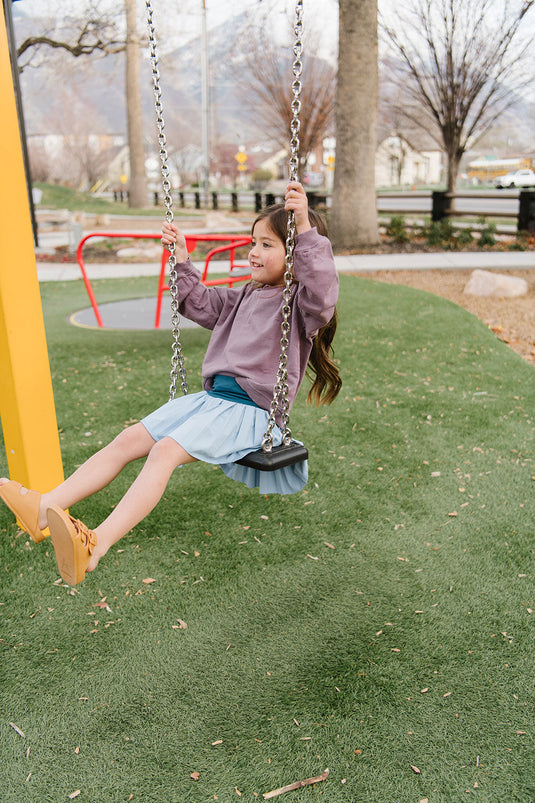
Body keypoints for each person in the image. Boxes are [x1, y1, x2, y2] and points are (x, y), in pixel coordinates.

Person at [0, 182, 341, 586]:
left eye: (267, 245)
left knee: (164, 452)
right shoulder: (243, 297)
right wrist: (181, 259)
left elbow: (322, 291)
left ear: (295, 253)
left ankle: (96, 544)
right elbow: (196, 302)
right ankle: (44, 509)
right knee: (129, 440)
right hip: (211, 401)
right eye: (253, 242)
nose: (253, 251)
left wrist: (303, 225)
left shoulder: (300, 305)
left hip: (251, 412)